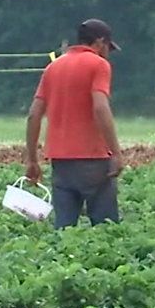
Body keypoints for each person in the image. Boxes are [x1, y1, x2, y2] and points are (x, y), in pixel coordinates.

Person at [24, 18, 124, 228]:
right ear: (100, 42)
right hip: (94, 159)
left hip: (61, 161)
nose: (107, 53)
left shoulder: (54, 67)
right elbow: (100, 107)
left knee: (64, 228)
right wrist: (115, 152)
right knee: (106, 230)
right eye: (108, 48)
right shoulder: (98, 65)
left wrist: (32, 160)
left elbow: (34, 114)